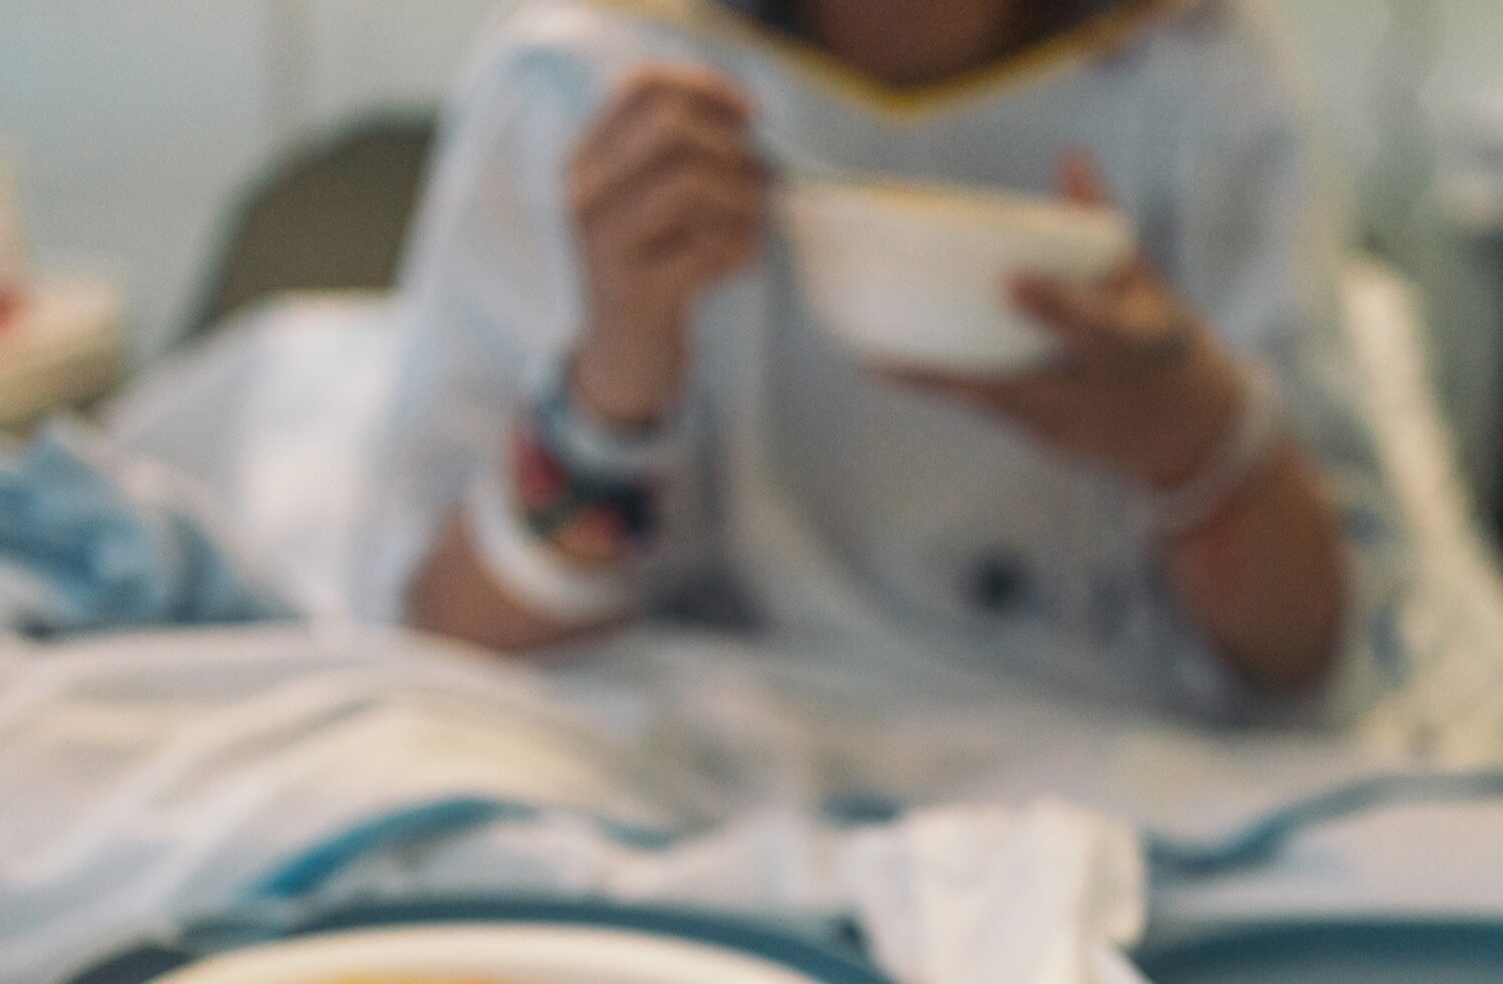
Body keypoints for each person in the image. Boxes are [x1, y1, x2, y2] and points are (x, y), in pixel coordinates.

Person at [387, 0, 1406, 724]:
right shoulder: (591, 78)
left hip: (1091, 763)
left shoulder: (1197, 75)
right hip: (703, 769)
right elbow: (450, 639)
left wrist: (1196, 438)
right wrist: (613, 383)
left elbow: (1305, 656)